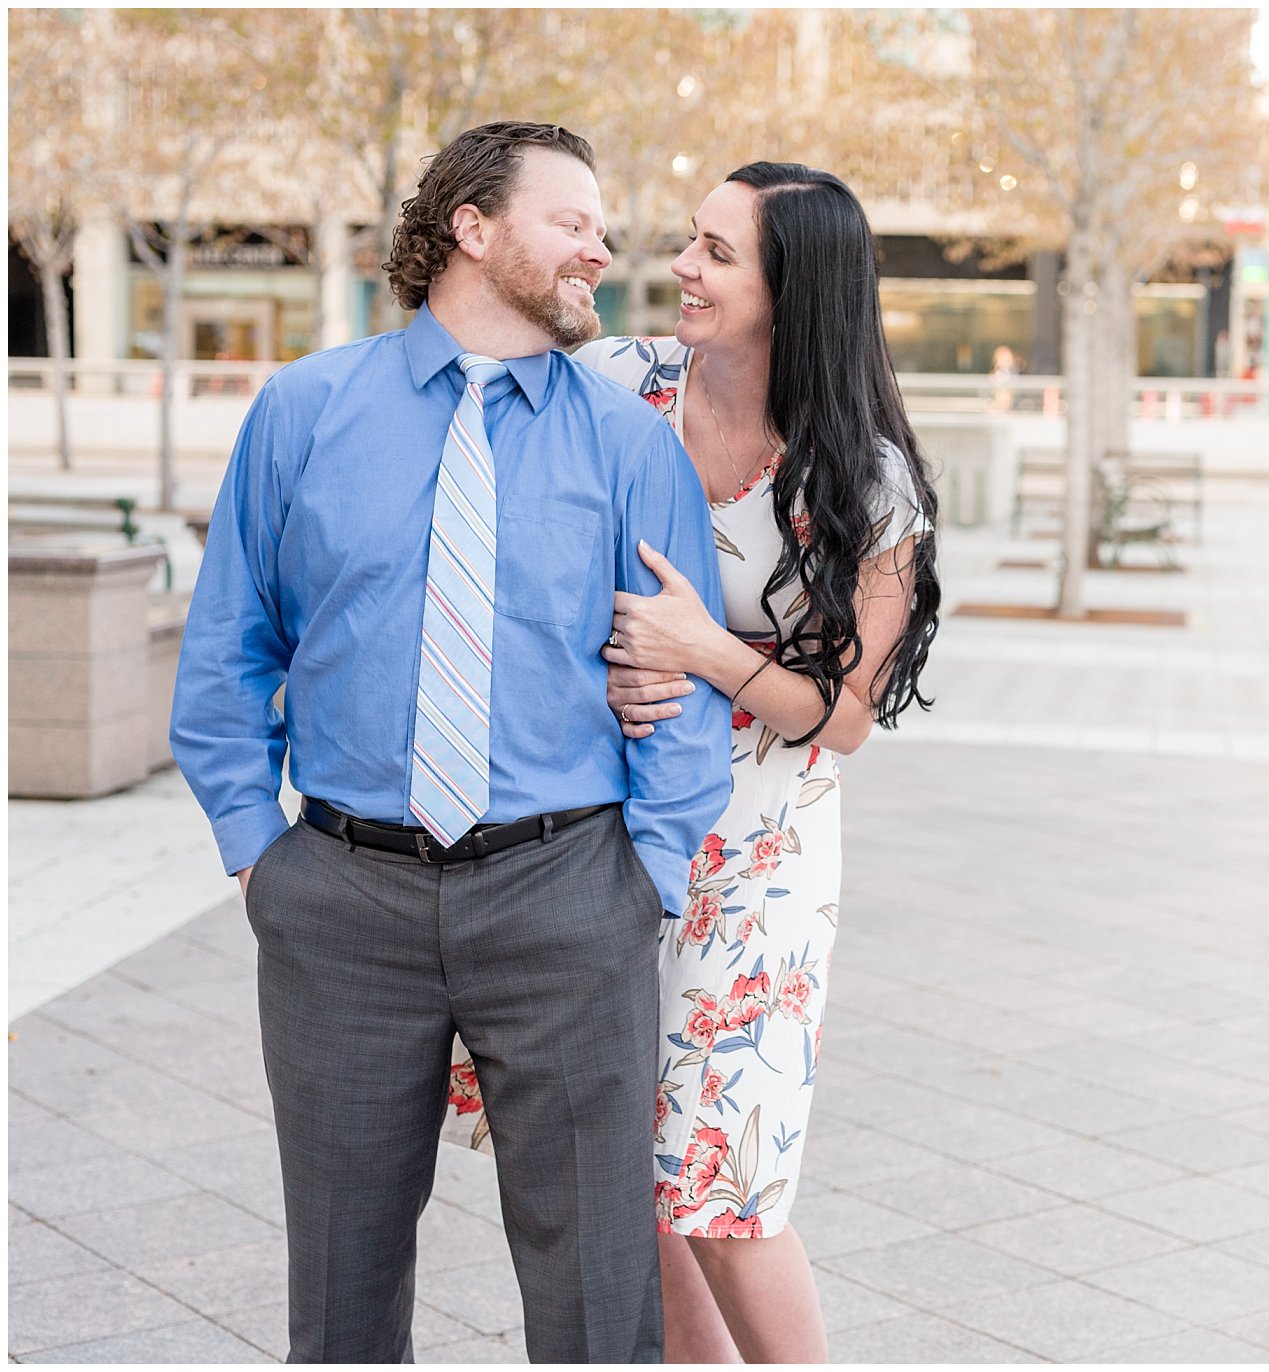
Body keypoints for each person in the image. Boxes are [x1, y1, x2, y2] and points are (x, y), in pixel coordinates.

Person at [169, 121, 731, 1364]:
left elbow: (684, 681)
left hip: (570, 890)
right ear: (472, 229)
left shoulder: (629, 445)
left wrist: (647, 872)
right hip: (339, 898)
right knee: (342, 1286)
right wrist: (260, 851)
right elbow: (228, 653)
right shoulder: (303, 411)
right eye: (571, 220)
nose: (602, 247)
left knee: (597, 1291)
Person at [445, 161, 942, 1363]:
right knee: (618, 1162)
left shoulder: (863, 480)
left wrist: (704, 649)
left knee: (723, 1182)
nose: (682, 267)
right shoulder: (618, 383)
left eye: (719, 253)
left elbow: (845, 716)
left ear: (795, 288)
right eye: (691, 240)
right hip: (588, 828)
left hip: (754, 859)